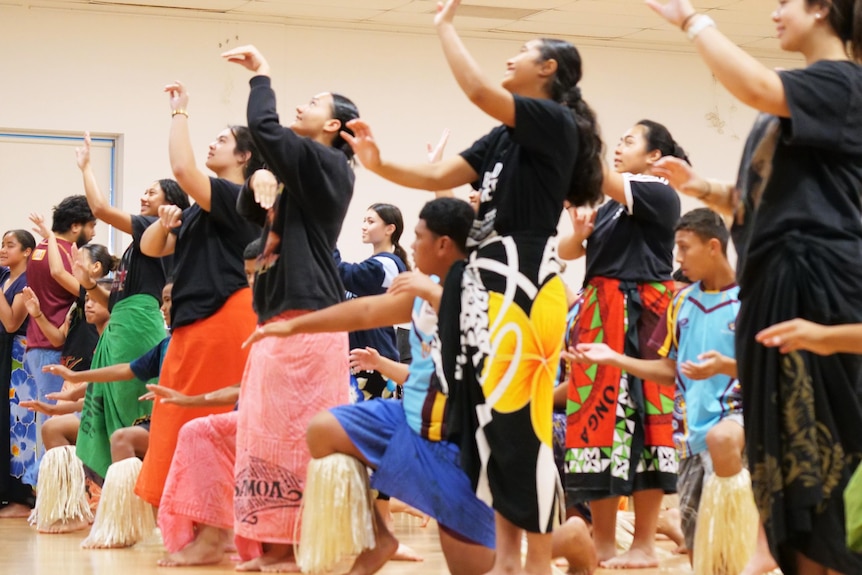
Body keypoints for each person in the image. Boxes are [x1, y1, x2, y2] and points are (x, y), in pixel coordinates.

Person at [340, 3, 604, 573]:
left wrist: (445, 27)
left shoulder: (553, 123)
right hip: (487, 286)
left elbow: (479, 91)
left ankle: (537, 562)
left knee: (522, 430)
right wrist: (379, 163)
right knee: (487, 429)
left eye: (522, 52)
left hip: (526, 287)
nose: (510, 57)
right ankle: (508, 560)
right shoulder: (505, 137)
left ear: (549, 69)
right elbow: (438, 178)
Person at [245, 197, 597, 575]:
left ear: (444, 245)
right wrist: (295, 324)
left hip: (460, 447)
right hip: (405, 422)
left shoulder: (490, 292)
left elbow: (485, 328)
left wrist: (432, 294)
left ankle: (572, 537)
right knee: (324, 431)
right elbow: (365, 310)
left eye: (419, 236)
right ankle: (377, 537)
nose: (411, 246)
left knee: (481, 569)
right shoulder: (421, 288)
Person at [647, 1, 862, 573]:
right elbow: (764, 201)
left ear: (822, 9)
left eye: (787, 2)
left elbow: (755, 86)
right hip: (776, 291)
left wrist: (693, 21)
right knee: (784, 478)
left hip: (819, 289)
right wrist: (708, 189)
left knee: (821, 473)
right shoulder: (808, 97)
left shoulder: (841, 83)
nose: (775, 12)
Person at [221, 42, 360, 572]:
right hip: (276, 318)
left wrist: (262, 76)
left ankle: (305, 544)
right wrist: (259, 176)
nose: (305, 106)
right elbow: (251, 213)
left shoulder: (328, 165)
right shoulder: (300, 174)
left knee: (299, 436)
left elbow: (267, 129)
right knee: (264, 435)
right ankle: (274, 546)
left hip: (309, 317)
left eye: (316, 102)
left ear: (335, 128)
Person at [567, 208, 761, 574]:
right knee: (704, 560)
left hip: (738, 428)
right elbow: (668, 370)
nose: (678, 257)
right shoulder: (681, 303)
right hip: (691, 439)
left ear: (714, 247)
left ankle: (758, 538)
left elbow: (771, 370)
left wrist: (725, 366)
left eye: (685, 248)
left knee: (723, 445)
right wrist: (614, 358)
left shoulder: (751, 301)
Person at [558, 119, 684, 569]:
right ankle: (605, 543)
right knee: (595, 428)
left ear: (654, 156)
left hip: (643, 313)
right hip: (599, 310)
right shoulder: (612, 204)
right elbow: (568, 252)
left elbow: (602, 178)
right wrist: (580, 231)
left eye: (628, 141)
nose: (617, 147)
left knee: (648, 425)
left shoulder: (658, 191)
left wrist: (574, 132)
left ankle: (645, 544)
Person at [137, 81, 261, 510]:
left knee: (206, 421)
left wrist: (180, 112)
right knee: (175, 416)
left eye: (223, 141)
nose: (213, 144)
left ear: (244, 156)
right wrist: (165, 220)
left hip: (225, 316)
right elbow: (152, 248)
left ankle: (217, 517)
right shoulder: (202, 208)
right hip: (193, 324)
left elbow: (183, 170)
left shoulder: (241, 199)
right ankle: (187, 516)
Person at [74, 132, 189, 483]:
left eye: (152, 192)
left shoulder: (158, 232)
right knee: (114, 409)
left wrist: (87, 167)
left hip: (136, 329)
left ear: (170, 204)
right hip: (123, 324)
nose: (143, 196)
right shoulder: (141, 241)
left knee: (128, 410)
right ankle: (118, 496)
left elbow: (99, 209)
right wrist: (90, 285)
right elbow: (117, 302)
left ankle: (139, 491)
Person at [20, 196, 95, 486]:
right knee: (58, 424)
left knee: (50, 421)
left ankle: (46, 490)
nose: (94, 232)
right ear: (76, 226)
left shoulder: (41, 249)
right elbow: (59, 275)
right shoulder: (64, 254)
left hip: (43, 344)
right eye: (92, 224)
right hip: (54, 349)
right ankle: (40, 485)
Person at [337, 203, 409, 402]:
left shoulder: (388, 265)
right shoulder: (376, 264)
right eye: (363, 221)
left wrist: (325, 241)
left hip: (375, 363)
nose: (364, 226)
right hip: (358, 362)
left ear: (389, 229)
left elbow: (344, 273)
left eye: (370, 221)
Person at [0, 230, 36, 518]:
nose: (3, 249)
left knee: (17, 423)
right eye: (2, 244)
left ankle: (22, 497)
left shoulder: (27, 282)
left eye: (10, 245)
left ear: (27, 251)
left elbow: (12, 322)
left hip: (18, 357)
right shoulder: (4, 276)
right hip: (3, 352)